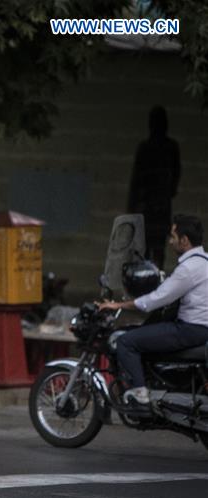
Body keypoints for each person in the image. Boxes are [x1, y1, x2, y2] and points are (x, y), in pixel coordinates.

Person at [99, 214, 208, 412]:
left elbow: (158, 299)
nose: (170, 241)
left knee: (127, 341)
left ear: (184, 240)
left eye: (173, 237)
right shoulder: (205, 262)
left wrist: (119, 305)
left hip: (189, 329)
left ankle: (140, 394)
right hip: (201, 329)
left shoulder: (188, 269)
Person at [127, 105, 181, 269]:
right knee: (146, 248)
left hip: (158, 206)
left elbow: (176, 172)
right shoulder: (147, 147)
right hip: (148, 206)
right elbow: (137, 179)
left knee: (157, 248)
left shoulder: (170, 147)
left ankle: (155, 280)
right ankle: (147, 281)